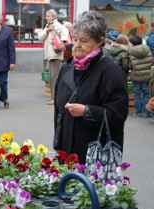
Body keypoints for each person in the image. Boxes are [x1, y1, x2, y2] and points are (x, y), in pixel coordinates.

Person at [54, 11, 128, 163]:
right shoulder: (67, 67)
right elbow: (58, 113)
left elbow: (118, 115)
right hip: (66, 150)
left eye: (84, 40)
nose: (77, 45)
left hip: (95, 154)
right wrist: (58, 143)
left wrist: (87, 111)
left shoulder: (110, 71)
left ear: (100, 41)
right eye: (75, 39)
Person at [38, 9, 69, 104]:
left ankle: (54, 98)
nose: (46, 18)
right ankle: (53, 97)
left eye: (48, 16)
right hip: (49, 55)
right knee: (51, 78)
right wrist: (47, 31)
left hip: (55, 54)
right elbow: (40, 38)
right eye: (46, 16)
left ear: (53, 17)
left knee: (54, 77)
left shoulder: (57, 25)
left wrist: (61, 42)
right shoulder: (47, 26)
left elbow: (65, 32)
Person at [128, 35, 154, 118]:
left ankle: (139, 112)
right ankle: (147, 111)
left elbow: (129, 65)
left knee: (137, 93)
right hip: (147, 76)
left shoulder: (130, 52)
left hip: (136, 76)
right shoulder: (148, 49)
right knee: (146, 93)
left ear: (132, 43)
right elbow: (151, 62)